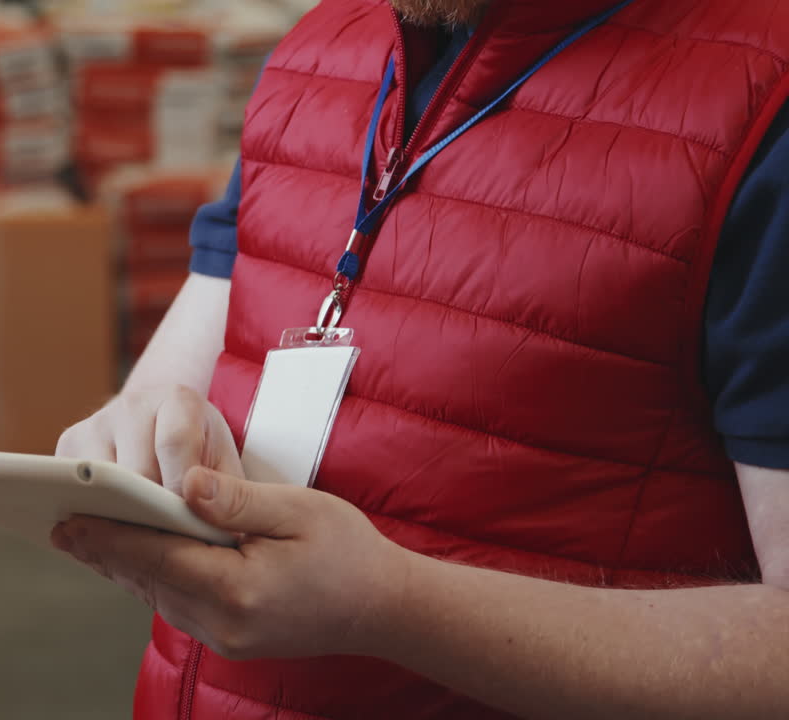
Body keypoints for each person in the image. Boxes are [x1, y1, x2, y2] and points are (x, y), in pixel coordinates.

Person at [52, 0, 789, 717]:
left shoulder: (762, 108)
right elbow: (163, 390)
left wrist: (392, 605)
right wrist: (131, 445)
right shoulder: (321, 51)